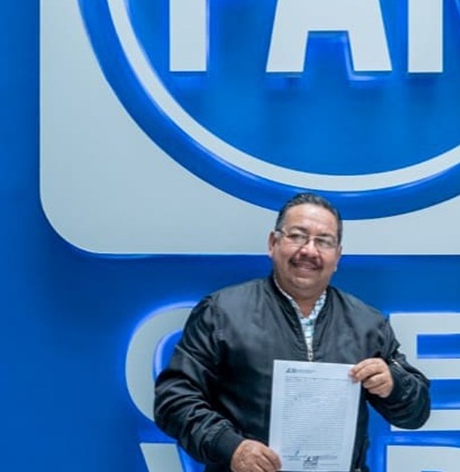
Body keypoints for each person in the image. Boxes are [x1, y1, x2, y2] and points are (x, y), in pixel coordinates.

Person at [154, 192, 430, 472]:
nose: (309, 251)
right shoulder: (221, 312)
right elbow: (174, 400)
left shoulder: (368, 323)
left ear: (337, 257)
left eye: (324, 241)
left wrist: (394, 384)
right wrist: (231, 447)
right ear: (273, 243)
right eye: (297, 236)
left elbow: (416, 413)